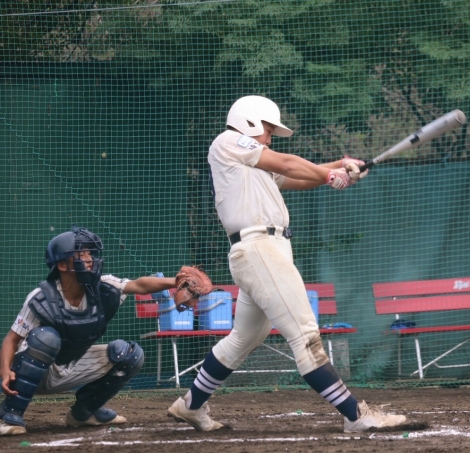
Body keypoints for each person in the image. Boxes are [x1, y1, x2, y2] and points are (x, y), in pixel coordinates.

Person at [167, 95, 408, 433]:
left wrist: (341, 167)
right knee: (305, 334)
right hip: (259, 250)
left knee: (245, 337)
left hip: (267, 252)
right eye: (268, 129)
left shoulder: (251, 164)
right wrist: (331, 175)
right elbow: (288, 163)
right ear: (249, 121)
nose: (269, 137)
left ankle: (190, 405)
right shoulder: (228, 141)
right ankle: (356, 415)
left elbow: (300, 178)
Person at [0, 226, 180, 436]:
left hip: (71, 365)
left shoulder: (102, 285)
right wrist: (5, 371)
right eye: (81, 255)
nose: (89, 259)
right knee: (46, 338)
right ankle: (8, 415)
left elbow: (139, 285)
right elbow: (12, 339)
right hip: (34, 372)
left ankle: (84, 412)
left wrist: (177, 281)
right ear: (62, 265)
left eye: (90, 254)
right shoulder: (42, 297)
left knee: (130, 354)